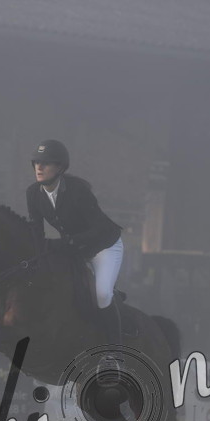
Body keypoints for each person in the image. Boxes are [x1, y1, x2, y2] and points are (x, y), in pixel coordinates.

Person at [25, 139, 124, 345]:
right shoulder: (33, 193)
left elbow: (99, 229)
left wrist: (67, 242)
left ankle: (115, 350)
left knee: (102, 294)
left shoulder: (77, 190)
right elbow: (36, 231)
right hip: (76, 249)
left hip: (105, 246)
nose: (39, 168)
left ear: (60, 167)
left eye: (46, 163)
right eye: (36, 163)